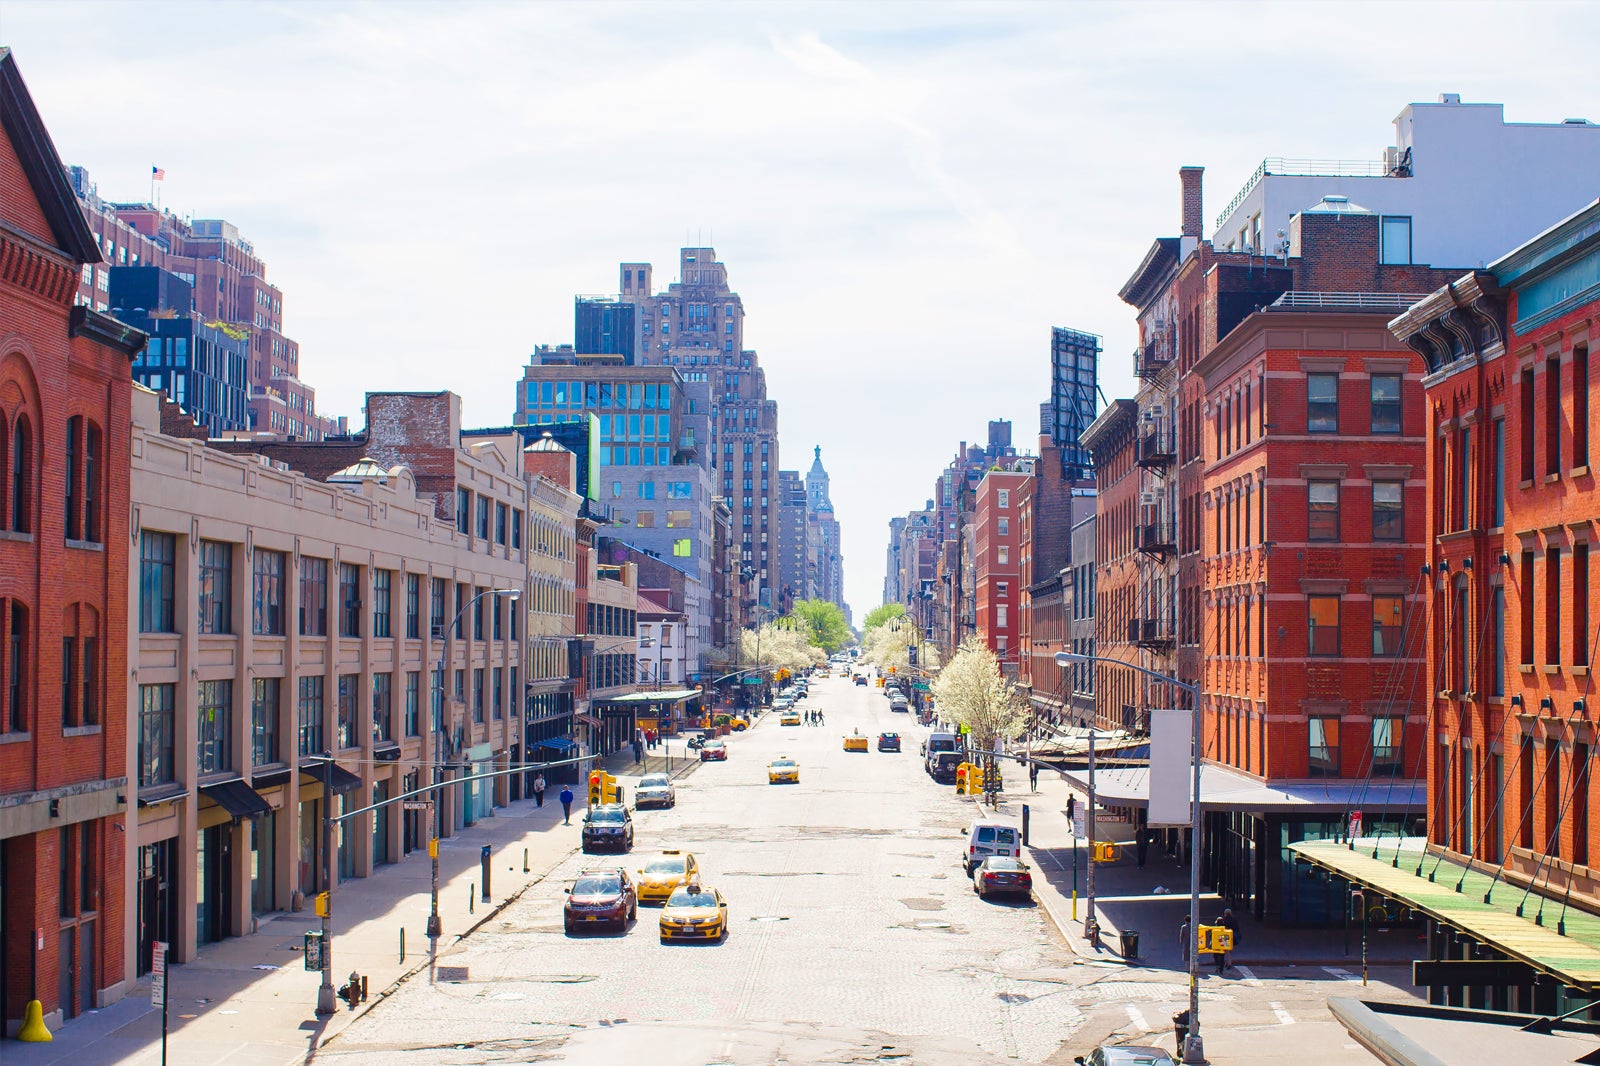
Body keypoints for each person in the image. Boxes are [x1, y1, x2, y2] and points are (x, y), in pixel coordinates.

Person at [1215, 907, 1238, 973]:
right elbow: (1237, 928)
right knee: (1230, 950)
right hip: (1232, 936)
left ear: (1225, 913)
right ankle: (1228, 962)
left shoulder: (1224, 920)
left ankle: (1228, 963)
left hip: (1225, 937)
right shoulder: (1234, 919)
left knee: (1226, 950)